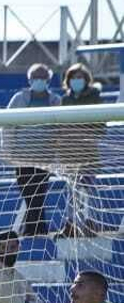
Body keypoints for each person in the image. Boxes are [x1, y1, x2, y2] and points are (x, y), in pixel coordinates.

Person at [3, 63, 60, 238]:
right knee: (28, 193)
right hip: (22, 157)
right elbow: (8, 125)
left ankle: (33, 229)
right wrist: (8, 150)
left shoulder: (56, 101)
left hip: (45, 157)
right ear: (29, 80)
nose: (39, 80)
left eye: (43, 77)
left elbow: (60, 129)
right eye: (36, 77)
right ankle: (37, 228)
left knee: (39, 192)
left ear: (48, 80)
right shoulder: (18, 99)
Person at [56, 62, 105, 238]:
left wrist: (81, 131)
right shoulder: (65, 100)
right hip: (69, 153)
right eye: (73, 77)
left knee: (90, 189)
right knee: (71, 190)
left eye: (80, 77)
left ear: (86, 79)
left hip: (88, 152)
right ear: (68, 80)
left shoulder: (95, 98)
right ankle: (71, 224)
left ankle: (91, 223)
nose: (76, 80)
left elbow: (101, 127)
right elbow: (60, 126)